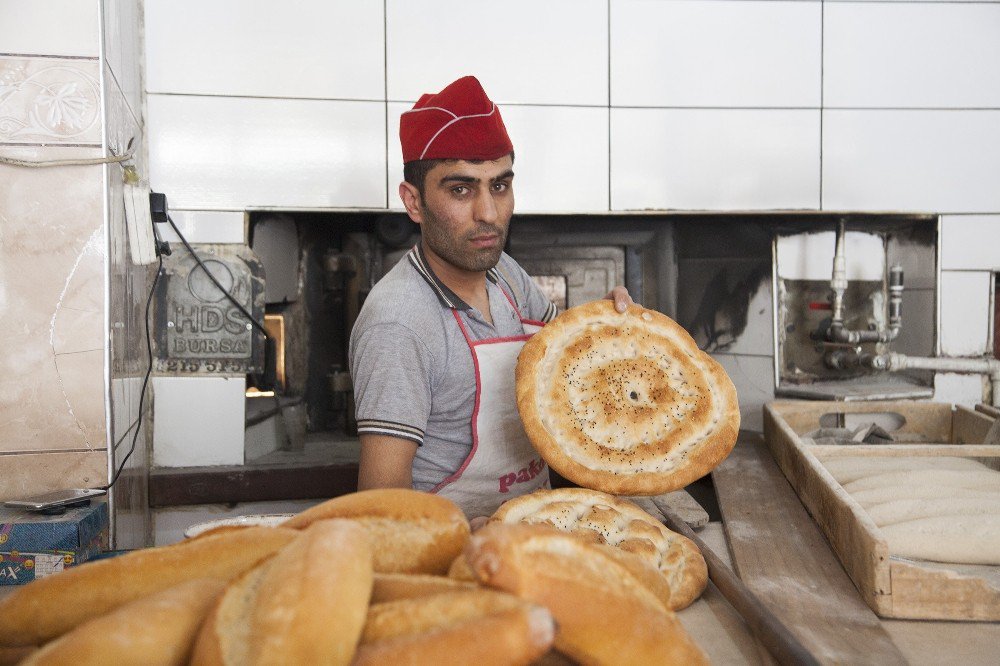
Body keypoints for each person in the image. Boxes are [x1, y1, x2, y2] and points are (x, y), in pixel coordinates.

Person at [349, 75, 632, 519]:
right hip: (455, 565)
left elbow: (569, 364)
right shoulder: (399, 323)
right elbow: (380, 511)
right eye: (461, 189)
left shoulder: (504, 274)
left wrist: (612, 328)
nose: (488, 214)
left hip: (537, 529)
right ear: (414, 202)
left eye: (499, 186)